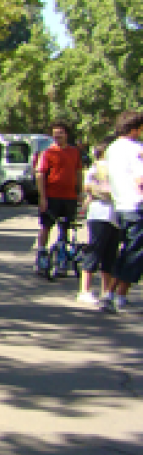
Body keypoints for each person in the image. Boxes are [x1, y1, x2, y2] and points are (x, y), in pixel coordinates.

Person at [104, 111, 143, 313]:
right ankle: (118, 295)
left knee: (128, 249)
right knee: (134, 252)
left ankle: (112, 294)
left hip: (121, 204)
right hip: (137, 203)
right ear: (135, 128)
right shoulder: (136, 148)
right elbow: (140, 179)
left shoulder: (112, 148)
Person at [35, 121, 83, 270]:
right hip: (52, 196)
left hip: (70, 197)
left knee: (66, 227)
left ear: (66, 134)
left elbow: (79, 172)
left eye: (60, 132)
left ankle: (62, 257)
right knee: (46, 226)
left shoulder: (74, 152)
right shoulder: (48, 153)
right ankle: (41, 254)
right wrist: (42, 197)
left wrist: (80, 191)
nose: (57, 135)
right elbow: (40, 174)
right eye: (55, 133)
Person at [78, 139, 118, 307]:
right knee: (95, 250)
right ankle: (85, 290)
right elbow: (88, 187)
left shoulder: (116, 168)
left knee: (110, 254)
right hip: (100, 214)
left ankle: (106, 292)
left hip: (115, 216)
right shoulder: (97, 167)